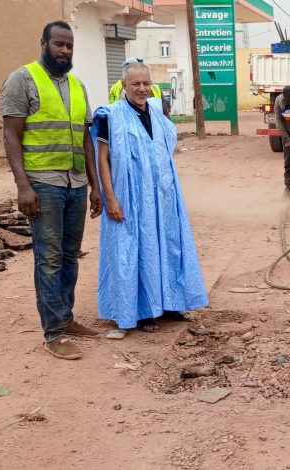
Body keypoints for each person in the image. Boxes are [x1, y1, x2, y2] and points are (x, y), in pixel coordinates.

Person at [1, 21, 104, 360]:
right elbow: (11, 136)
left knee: (70, 255)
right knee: (49, 258)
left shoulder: (77, 85)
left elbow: (86, 140)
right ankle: (54, 333)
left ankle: (67, 318)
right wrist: (22, 186)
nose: (65, 51)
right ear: (44, 43)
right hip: (43, 184)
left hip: (75, 183)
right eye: (59, 44)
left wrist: (94, 186)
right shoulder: (22, 79)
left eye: (69, 46)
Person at [92, 62, 209, 336]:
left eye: (146, 83)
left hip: (164, 198)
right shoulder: (111, 116)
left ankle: (170, 303)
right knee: (133, 252)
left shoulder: (157, 112)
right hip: (130, 197)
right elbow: (103, 159)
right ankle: (140, 310)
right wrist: (110, 198)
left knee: (168, 246)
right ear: (124, 86)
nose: (142, 89)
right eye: (135, 84)